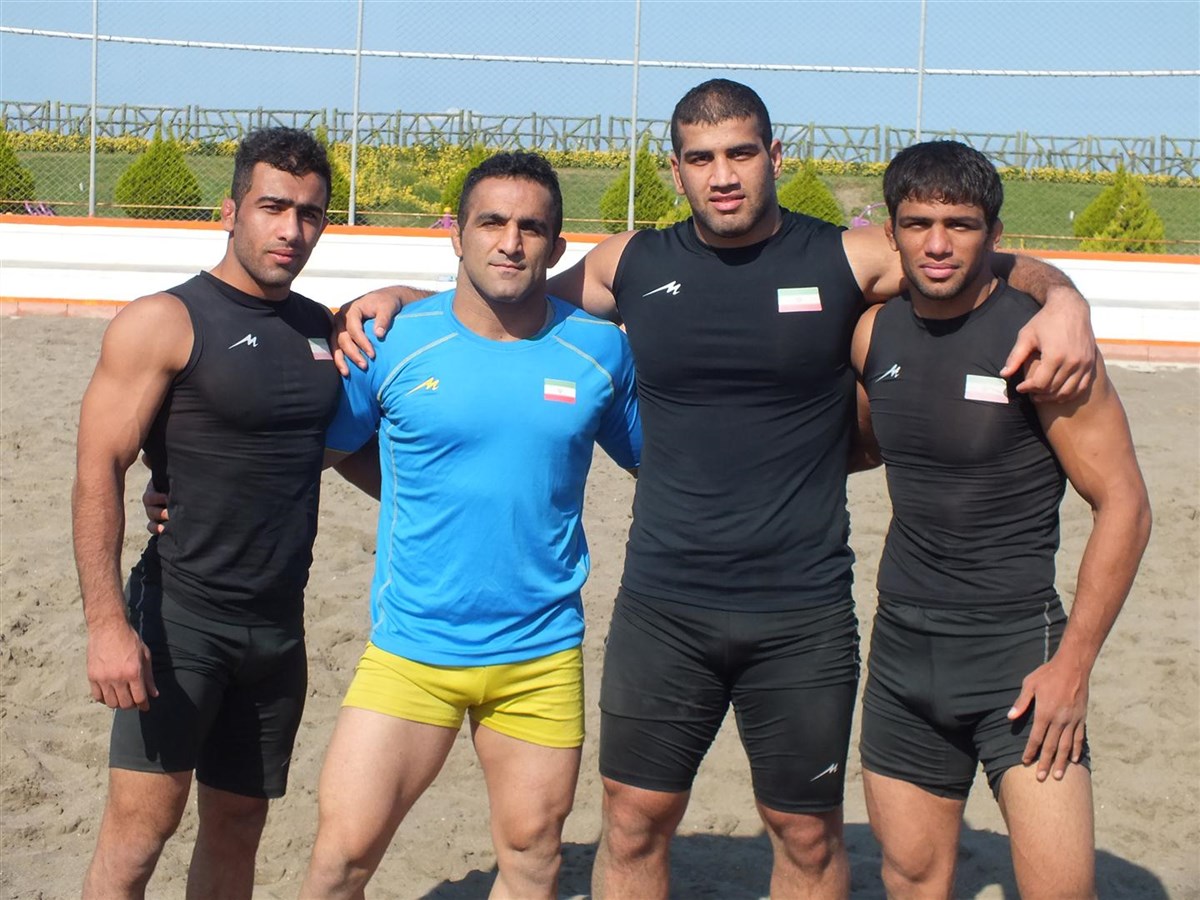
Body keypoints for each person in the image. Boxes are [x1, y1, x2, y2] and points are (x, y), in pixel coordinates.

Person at [339, 80, 1098, 899]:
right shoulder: (630, 264)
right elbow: (507, 299)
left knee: (805, 835)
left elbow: (971, 257)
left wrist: (1065, 298)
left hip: (802, 612)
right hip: (663, 607)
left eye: (741, 153)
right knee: (633, 821)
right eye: (701, 159)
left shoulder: (846, 257)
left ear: (775, 156)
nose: (723, 175)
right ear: (675, 170)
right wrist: (405, 299)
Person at [299, 152, 641, 899]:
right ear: (456, 234)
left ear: (557, 245)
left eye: (531, 228)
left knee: (532, 860)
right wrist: (173, 485)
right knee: (339, 862)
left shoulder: (600, 350)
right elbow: (319, 453)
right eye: (491, 222)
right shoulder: (390, 340)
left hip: (540, 656)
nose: (510, 242)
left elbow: (665, 465)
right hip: (411, 649)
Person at [850, 140, 1151, 898]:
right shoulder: (873, 333)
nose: (938, 244)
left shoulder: (1042, 344)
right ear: (891, 233)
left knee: (1060, 891)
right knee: (911, 877)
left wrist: (1074, 666)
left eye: (961, 224)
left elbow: (1125, 504)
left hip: (1017, 656)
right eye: (918, 224)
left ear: (994, 233)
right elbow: (861, 445)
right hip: (902, 654)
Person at [73, 127, 346, 899]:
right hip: (181, 620)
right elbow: (98, 468)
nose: (291, 230)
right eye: (273, 207)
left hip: (279, 627)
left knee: (238, 827)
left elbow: (325, 450)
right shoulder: (165, 321)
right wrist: (106, 627)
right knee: (139, 835)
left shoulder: (322, 331)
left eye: (309, 213)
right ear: (230, 212)